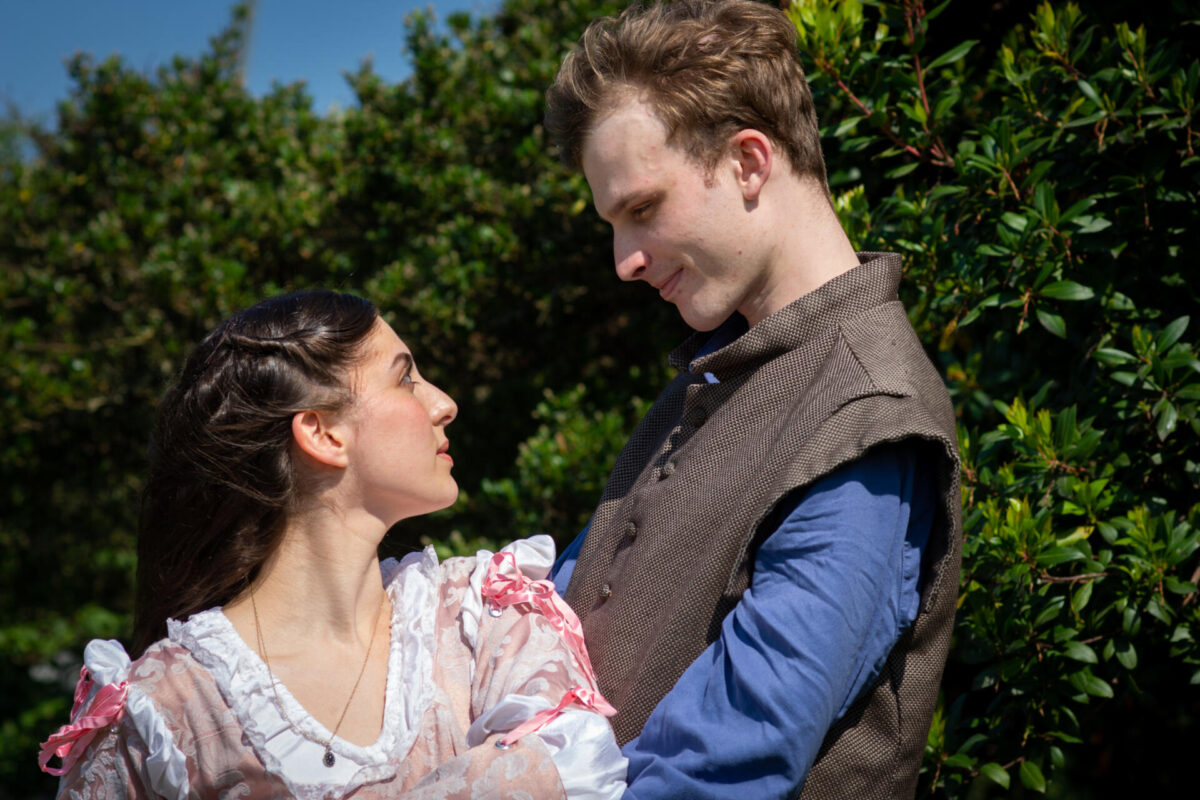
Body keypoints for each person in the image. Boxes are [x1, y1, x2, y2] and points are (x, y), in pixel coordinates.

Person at [543, 2, 962, 798]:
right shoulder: (718, 370)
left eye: (642, 209)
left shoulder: (864, 417)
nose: (624, 261)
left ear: (747, 162)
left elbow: (723, 766)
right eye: (612, 223)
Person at [38, 290, 627, 799]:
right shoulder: (164, 709)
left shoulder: (482, 619)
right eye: (405, 377)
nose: (444, 403)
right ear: (322, 433)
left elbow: (577, 768)